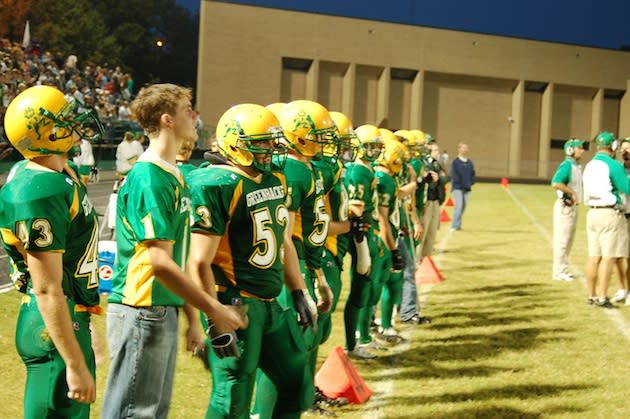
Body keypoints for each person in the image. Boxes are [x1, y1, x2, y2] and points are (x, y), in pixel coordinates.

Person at [102, 83, 247, 419]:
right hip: (141, 307)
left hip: (160, 308)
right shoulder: (150, 177)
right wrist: (214, 309)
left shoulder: (174, 175)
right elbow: (160, 263)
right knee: (135, 412)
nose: (194, 116)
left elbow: (177, 257)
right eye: (187, 110)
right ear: (168, 120)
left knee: (152, 411)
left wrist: (194, 319)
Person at [188, 103, 317, 418]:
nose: (270, 149)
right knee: (232, 397)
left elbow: (283, 239)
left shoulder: (273, 179)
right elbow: (198, 261)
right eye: (261, 142)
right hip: (237, 304)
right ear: (235, 141)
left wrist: (298, 291)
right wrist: (214, 318)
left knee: (297, 379)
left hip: (272, 303)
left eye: (272, 141)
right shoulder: (216, 183)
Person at [0, 85, 104, 418]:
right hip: (50, 319)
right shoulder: (39, 189)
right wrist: (74, 361)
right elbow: (47, 289)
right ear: (43, 134)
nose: (73, 121)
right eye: (63, 118)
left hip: (71, 313)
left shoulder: (59, 174)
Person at [252, 99, 335, 417]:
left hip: (305, 259)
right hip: (291, 262)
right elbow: (282, 229)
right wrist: (302, 281)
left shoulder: (304, 167)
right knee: (286, 352)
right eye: (318, 134)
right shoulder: (291, 170)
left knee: (298, 348)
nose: (323, 140)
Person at [582, 131, 630, 308]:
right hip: (609, 214)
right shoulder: (614, 165)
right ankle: (602, 296)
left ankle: (591, 295)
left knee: (593, 257)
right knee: (608, 257)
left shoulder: (590, 165)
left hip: (592, 213)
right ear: (613, 146)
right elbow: (627, 188)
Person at [550, 139, 584, 282]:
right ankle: (558, 272)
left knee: (568, 241)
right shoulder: (567, 165)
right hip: (565, 208)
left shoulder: (575, 166)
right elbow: (556, 182)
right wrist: (572, 192)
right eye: (579, 148)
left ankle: (564, 269)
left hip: (572, 207)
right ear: (570, 150)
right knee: (562, 241)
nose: (582, 150)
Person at [418, 142, 449, 259]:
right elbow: (430, 184)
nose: (438, 152)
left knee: (432, 233)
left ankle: (426, 260)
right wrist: (436, 179)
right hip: (428, 201)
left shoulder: (437, 164)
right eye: (435, 150)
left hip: (436, 200)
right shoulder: (425, 164)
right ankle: (418, 260)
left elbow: (445, 178)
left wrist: (438, 179)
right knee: (424, 232)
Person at [612, 138, 630, 303]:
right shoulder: (617, 169)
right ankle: (622, 288)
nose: (625, 152)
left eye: (628, 149)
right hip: (619, 215)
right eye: (623, 149)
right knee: (617, 255)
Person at [450, 143, 475, 231]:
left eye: (466, 148)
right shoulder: (455, 162)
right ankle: (454, 225)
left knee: (464, 206)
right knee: (459, 205)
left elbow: (472, 174)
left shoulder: (469, 162)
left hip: (467, 188)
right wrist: (460, 184)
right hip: (458, 188)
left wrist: (471, 182)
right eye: (463, 148)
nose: (465, 150)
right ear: (459, 149)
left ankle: (458, 224)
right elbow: (454, 175)